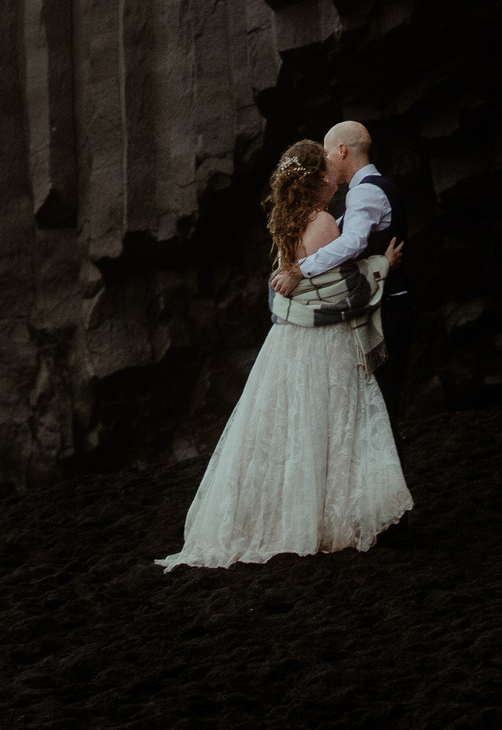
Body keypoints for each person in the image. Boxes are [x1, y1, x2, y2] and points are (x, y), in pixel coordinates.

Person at [156, 138, 413, 569]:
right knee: (329, 428)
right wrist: (382, 266)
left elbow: (300, 287)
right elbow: (341, 293)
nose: (335, 183)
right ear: (315, 182)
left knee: (291, 429)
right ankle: (326, 521)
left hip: (287, 343)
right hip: (323, 346)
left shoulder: (284, 227)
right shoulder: (325, 224)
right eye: (328, 177)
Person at [271, 120, 410, 411]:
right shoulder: (370, 190)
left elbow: (352, 244)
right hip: (381, 303)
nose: (325, 160)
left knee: (382, 402)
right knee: (379, 403)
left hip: (387, 306)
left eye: (327, 152)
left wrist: (301, 269)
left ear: (342, 150)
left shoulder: (363, 192)